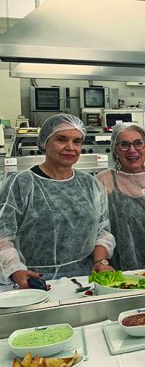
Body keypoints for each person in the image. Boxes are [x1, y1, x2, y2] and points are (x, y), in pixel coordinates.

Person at [0, 114, 115, 286]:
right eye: (62, 140)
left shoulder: (90, 184)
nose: (70, 147)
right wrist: (15, 269)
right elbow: (3, 236)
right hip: (32, 281)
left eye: (77, 141)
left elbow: (102, 231)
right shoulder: (21, 183)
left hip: (84, 281)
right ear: (45, 142)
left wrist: (100, 261)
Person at [96, 123, 145, 271]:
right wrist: (101, 263)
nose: (132, 150)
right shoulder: (104, 180)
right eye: (124, 145)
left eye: (138, 143)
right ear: (115, 149)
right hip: (113, 271)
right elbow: (99, 230)